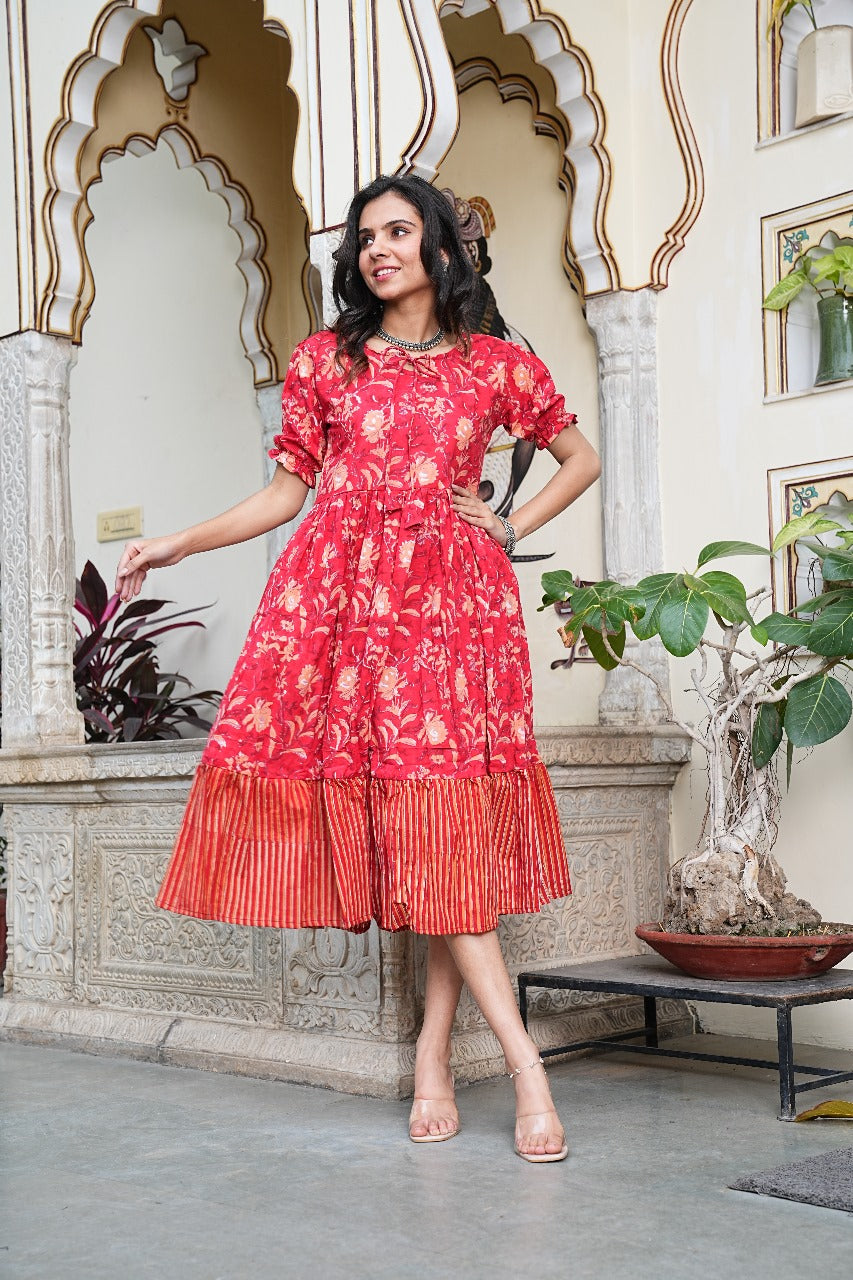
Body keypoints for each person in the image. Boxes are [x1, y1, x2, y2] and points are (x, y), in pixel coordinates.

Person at [116, 173, 601, 1163]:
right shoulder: (323, 362)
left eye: (397, 230)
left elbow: (579, 459)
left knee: (443, 835)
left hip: (455, 617)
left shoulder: (496, 364)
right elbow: (283, 494)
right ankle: (506, 1062)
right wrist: (177, 541)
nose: (376, 248)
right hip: (346, 617)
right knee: (429, 837)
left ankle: (459, 1056)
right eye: (364, 236)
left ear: (438, 247)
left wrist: (506, 524)